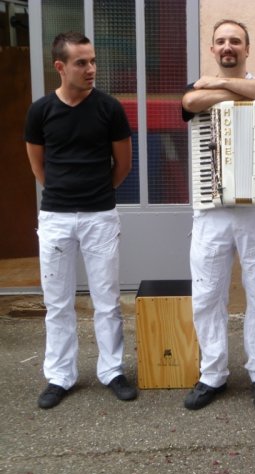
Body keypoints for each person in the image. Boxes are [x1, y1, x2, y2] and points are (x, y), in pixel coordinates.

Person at [181, 19, 255, 411]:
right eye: (221, 41)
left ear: (247, 48)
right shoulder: (199, 88)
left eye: (236, 41)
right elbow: (190, 103)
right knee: (207, 296)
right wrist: (224, 89)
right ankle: (213, 374)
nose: (228, 47)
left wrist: (221, 86)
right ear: (213, 49)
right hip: (211, 210)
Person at [24, 32, 136, 409]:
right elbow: (38, 165)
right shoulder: (40, 111)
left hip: (100, 216)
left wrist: (96, 194)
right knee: (57, 302)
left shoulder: (109, 109)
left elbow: (123, 164)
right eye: (81, 63)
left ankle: (112, 370)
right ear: (60, 66)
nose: (91, 69)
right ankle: (59, 376)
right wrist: (64, 193)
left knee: (106, 299)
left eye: (92, 61)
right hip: (55, 217)